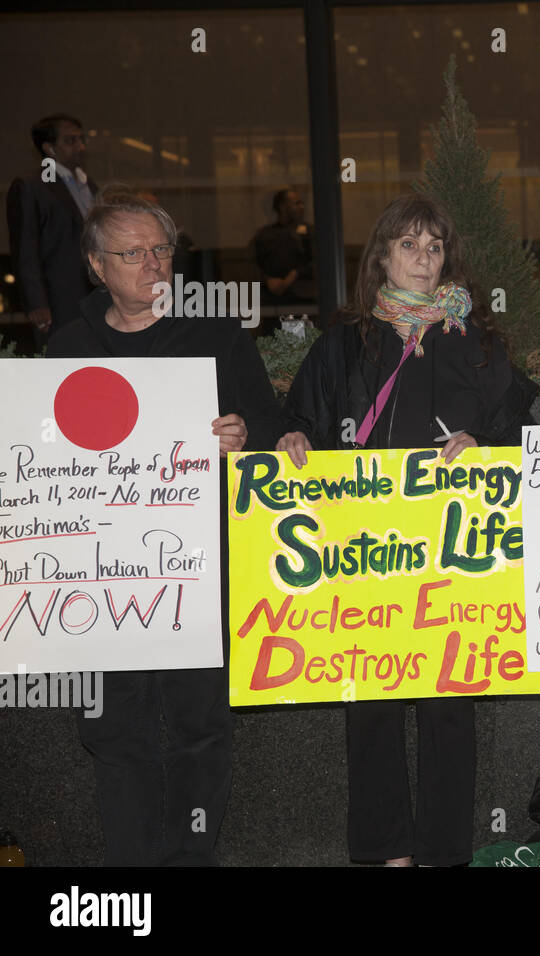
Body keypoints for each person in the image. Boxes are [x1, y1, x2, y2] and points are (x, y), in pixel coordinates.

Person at [276, 192, 535, 866]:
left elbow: (529, 427)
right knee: (370, 712)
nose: (424, 258)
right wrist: (294, 438)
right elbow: (298, 416)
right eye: (409, 244)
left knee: (450, 711)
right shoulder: (343, 344)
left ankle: (445, 854)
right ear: (383, 257)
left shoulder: (479, 344)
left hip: (454, 560)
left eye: (435, 246)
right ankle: (388, 853)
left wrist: (487, 442)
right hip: (362, 560)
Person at [46, 189, 283, 865]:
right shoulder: (68, 349)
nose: (154, 265)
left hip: (197, 568)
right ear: (97, 266)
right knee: (114, 730)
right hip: (95, 579)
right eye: (133, 253)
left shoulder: (215, 337)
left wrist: (243, 437)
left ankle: (190, 860)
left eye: (162, 250)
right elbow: (38, 466)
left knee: (199, 726)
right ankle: (131, 870)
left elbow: (271, 428)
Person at [6, 114, 99, 341]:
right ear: (49, 148)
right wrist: (36, 302)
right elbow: (25, 248)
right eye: (70, 141)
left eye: (81, 139)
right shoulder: (31, 186)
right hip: (58, 300)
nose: (80, 146)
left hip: (95, 294)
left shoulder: (89, 184)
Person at [253, 187, 315, 309]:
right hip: (272, 300)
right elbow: (253, 263)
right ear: (282, 207)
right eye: (296, 203)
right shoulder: (265, 234)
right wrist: (267, 280)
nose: (301, 207)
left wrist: (295, 274)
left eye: (301, 203)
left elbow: (319, 262)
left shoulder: (309, 233)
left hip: (303, 299)